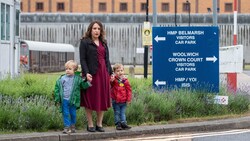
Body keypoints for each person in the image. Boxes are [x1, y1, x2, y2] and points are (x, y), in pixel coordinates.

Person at [79, 21, 113, 132]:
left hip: (103, 74)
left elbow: (107, 59)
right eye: (94, 28)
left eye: (99, 28)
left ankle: (99, 124)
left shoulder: (104, 42)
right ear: (90, 30)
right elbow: (83, 59)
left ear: (101, 30)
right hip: (91, 74)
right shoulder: (84, 42)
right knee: (89, 98)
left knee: (102, 98)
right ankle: (90, 124)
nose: (97, 30)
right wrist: (86, 72)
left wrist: (111, 73)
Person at [54, 60, 92, 134]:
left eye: (70, 69)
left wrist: (88, 82)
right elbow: (57, 89)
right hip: (64, 100)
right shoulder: (61, 79)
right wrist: (57, 98)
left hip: (73, 100)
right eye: (66, 69)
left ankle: (72, 126)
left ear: (74, 70)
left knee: (73, 114)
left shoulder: (77, 79)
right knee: (65, 113)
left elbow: (82, 86)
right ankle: (66, 127)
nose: (67, 70)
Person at [110, 63, 132, 130]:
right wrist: (111, 80)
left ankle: (123, 123)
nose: (120, 72)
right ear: (114, 72)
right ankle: (118, 124)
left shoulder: (125, 80)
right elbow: (110, 84)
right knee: (117, 112)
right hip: (116, 100)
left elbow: (129, 90)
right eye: (118, 71)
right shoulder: (114, 80)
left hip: (123, 100)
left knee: (123, 113)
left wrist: (128, 99)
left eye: (121, 70)